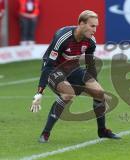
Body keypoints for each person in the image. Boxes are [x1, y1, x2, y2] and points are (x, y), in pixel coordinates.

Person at [30, 10, 121, 143]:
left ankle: (102, 131)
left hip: (72, 68)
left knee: (99, 93)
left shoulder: (91, 41)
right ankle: (45, 133)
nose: (95, 30)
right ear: (81, 24)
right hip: (54, 69)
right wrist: (39, 93)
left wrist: (94, 84)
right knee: (68, 95)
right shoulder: (63, 37)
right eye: (92, 26)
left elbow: (90, 64)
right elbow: (48, 65)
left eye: (96, 26)